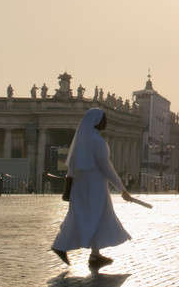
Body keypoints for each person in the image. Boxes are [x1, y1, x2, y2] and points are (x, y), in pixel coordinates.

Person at [51, 108, 133, 270]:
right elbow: (106, 167)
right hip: (95, 187)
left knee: (90, 215)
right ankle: (60, 245)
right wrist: (122, 188)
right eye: (104, 119)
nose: (106, 122)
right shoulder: (96, 141)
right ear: (96, 121)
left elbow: (72, 168)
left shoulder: (82, 140)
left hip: (82, 185)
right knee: (87, 216)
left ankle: (95, 254)